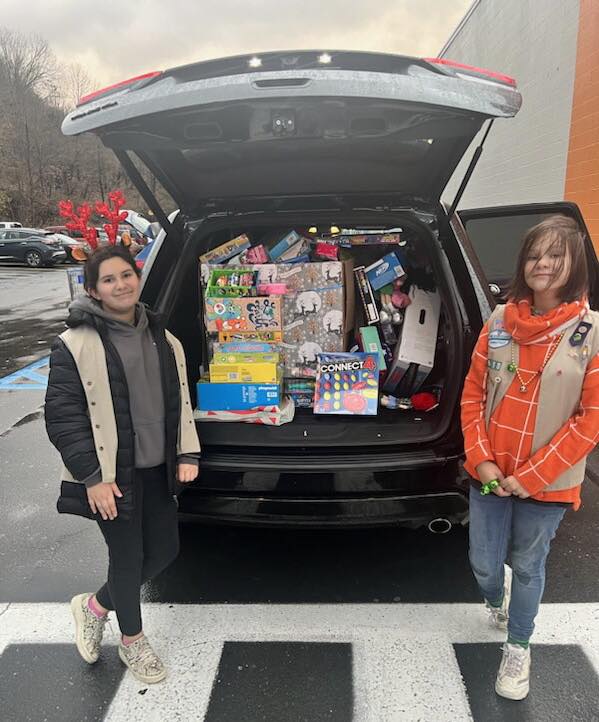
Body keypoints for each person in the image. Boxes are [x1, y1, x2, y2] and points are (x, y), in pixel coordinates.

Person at [45, 244, 201, 684]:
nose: (121, 285)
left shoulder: (164, 338)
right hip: (110, 477)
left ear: (138, 277)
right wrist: (92, 478)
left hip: (157, 467)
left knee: (165, 552)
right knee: (128, 558)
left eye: (126, 275)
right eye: (108, 280)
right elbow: (63, 417)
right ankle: (133, 642)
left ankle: (94, 606)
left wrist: (187, 452)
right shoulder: (73, 344)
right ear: (93, 291)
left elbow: (180, 401)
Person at [461, 214, 599, 701]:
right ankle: (494, 600)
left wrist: (533, 475)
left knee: (528, 562)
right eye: (535, 254)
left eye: (555, 256)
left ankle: (518, 647)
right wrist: (481, 461)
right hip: (490, 474)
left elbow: (591, 419)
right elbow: (474, 393)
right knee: (483, 562)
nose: (543, 264)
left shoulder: (592, 333)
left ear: (573, 264)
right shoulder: (500, 322)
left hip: (548, 483)